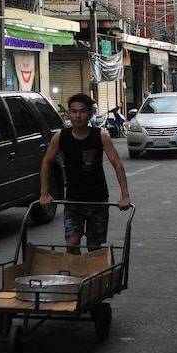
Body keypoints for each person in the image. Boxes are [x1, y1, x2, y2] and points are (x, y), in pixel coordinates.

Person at [40, 93, 131, 253]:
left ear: (90, 114)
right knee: (72, 243)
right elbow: (46, 162)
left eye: (82, 111)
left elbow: (117, 164)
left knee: (94, 246)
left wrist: (125, 195)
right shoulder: (61, 137)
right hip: (73, 200)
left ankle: (93, 277)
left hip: (98, 199)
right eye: (74, 111)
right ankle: (75, 275)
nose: (78, 115)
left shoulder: (100, 136)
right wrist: (44, 193)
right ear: (69, 114)